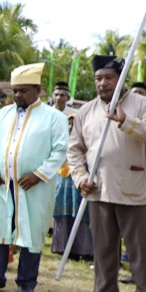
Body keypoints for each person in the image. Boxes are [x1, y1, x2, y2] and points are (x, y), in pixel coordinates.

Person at [69, 55, 146, 292]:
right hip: (98, 190)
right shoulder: (86, 111)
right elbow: (75, 150)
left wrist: (127, 122)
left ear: (121, 78)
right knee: (102, 248)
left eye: (109, 78)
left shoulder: (142, 105)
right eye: (98, 78)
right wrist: (79, 178)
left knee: (141, 250)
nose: (103, 83)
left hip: (133, 190)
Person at [0, 64, 68, 292]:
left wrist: (39, 174)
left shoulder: (53, 117)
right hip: (2, 185)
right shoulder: (5, 114)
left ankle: (26, 282)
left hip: (33, 187)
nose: (17, 95)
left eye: (23, 91)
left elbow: (60, 151)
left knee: (31, 232)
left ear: (37, 89)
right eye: (14, 91)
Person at [50, 82, 91, 258]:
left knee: (76, 208)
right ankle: (58, 241)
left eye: (62, 95)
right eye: (56, 94)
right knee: (57, 207)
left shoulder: (74, 115)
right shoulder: (47, 114)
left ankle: (79, 247)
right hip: (53, 166)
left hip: (74, 168)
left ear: (68, 97)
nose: (59, 98)